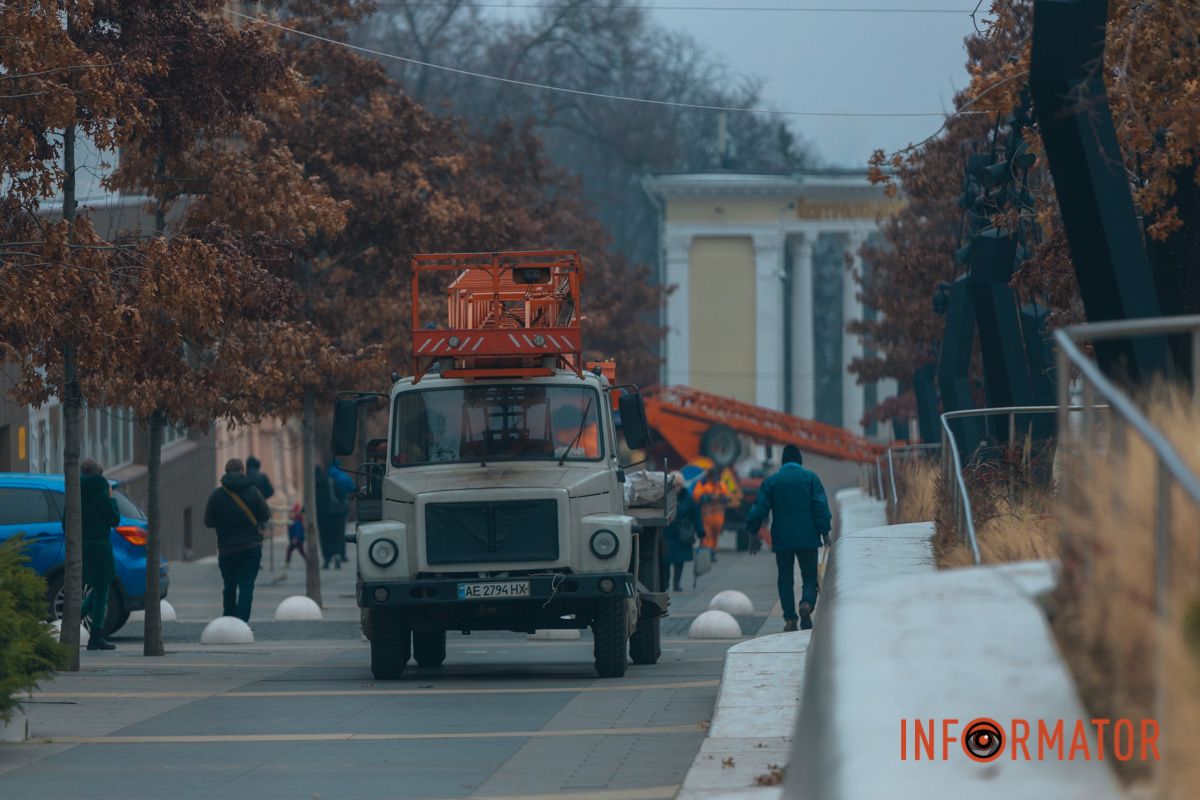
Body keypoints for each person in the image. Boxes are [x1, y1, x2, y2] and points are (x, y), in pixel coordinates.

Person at [745, 445, 832, 632]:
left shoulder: (772, 481)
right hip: (808, 537)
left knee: (785, 578)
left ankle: (790, 619)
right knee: (809, 575)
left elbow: (759, 509)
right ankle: (807, 604)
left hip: (782, 538)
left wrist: (753, 532)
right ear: (800, 460)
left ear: (783, 461)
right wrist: (825, 532)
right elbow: (820, 507)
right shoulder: (810, 478)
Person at [204, 458, 271, 622]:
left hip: (227, 549)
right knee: (246, 585)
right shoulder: (254, 492)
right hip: (250, 547)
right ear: (242, 471)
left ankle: (228, 618)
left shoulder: (216, 495)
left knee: (229, 586)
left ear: (226, 472)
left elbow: (208, 521)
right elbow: (265, 515)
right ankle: (241, 621)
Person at [80, 457, 120, 651]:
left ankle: (72, 621)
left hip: (81, 546)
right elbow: (114, 520)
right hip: (100, 546)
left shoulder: (75, 492)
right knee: (102, 589)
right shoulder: (101, 493)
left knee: (97, 588)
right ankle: (95, 636)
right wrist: (111, 498)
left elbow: (65, 521)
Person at [662, 472, 703, 592]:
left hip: (681, 535)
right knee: (665, 562)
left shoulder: (688, 498)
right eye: (674, 485)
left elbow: (696, 515)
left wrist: (700, 530)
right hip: (667, 534)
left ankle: (676, 583)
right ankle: (665, 584)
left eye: (678, 485)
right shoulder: (663, 496)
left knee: (679, 562)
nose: (676, 488)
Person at [315, 464, 349, 569]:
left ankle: (326, 559)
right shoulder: (331, 481)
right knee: (337, 537)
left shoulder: (314, 485)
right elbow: (342, 496)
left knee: (325, 538)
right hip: (336, 516)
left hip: (322, 517)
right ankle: (338, 556)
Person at [693, 467, 728, 559]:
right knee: (706, 535)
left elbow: (726, 498)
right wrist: (709, 498)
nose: (714, 480)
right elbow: (697, 497)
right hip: (706, 516)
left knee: (715, 535)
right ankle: (706, 552)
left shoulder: (721, 485)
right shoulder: (703, 484)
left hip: (718, 517)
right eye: (713, 478)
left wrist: (721, 498)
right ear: (709, 477)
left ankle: (712, 551)